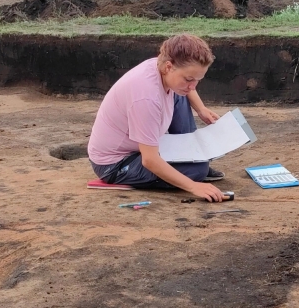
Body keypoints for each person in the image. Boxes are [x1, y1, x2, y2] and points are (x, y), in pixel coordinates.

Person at [88, 34, 228, 202]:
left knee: (180, 91)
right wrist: (194, 186)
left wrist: (201, 109)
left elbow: (185, 86)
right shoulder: (146, 98)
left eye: (198, 80)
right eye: (189, 79)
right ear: (169, 67)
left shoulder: (161, 67)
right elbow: (150, 160)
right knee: (197, 171)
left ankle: (193, 155)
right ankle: (194, 165)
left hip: (137, 149)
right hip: (116, 164)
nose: (193, 86)